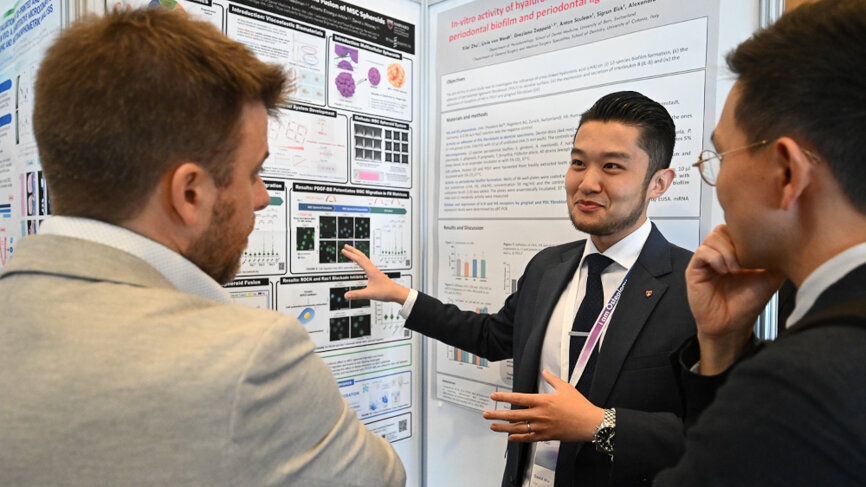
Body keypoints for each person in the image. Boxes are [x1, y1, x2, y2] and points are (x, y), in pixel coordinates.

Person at [0, 8, 405, 487]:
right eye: (253, 172)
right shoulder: (252, 359)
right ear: (189, 194)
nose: (263, 197)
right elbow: (384, 478)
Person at [342, 91, 696, 486]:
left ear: (659, 183)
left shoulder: (693, 286)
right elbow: (494, 336)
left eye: (612, 167)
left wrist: (601, 424)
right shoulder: (548, 266)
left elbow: (709, 434)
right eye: (578, 163)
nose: (587, 183)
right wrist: (403, 297)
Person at [654, 0, 866, 484]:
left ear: (787, 172)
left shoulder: (801, 387)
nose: (717, 179)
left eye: (722, 154)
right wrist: (721, 344)